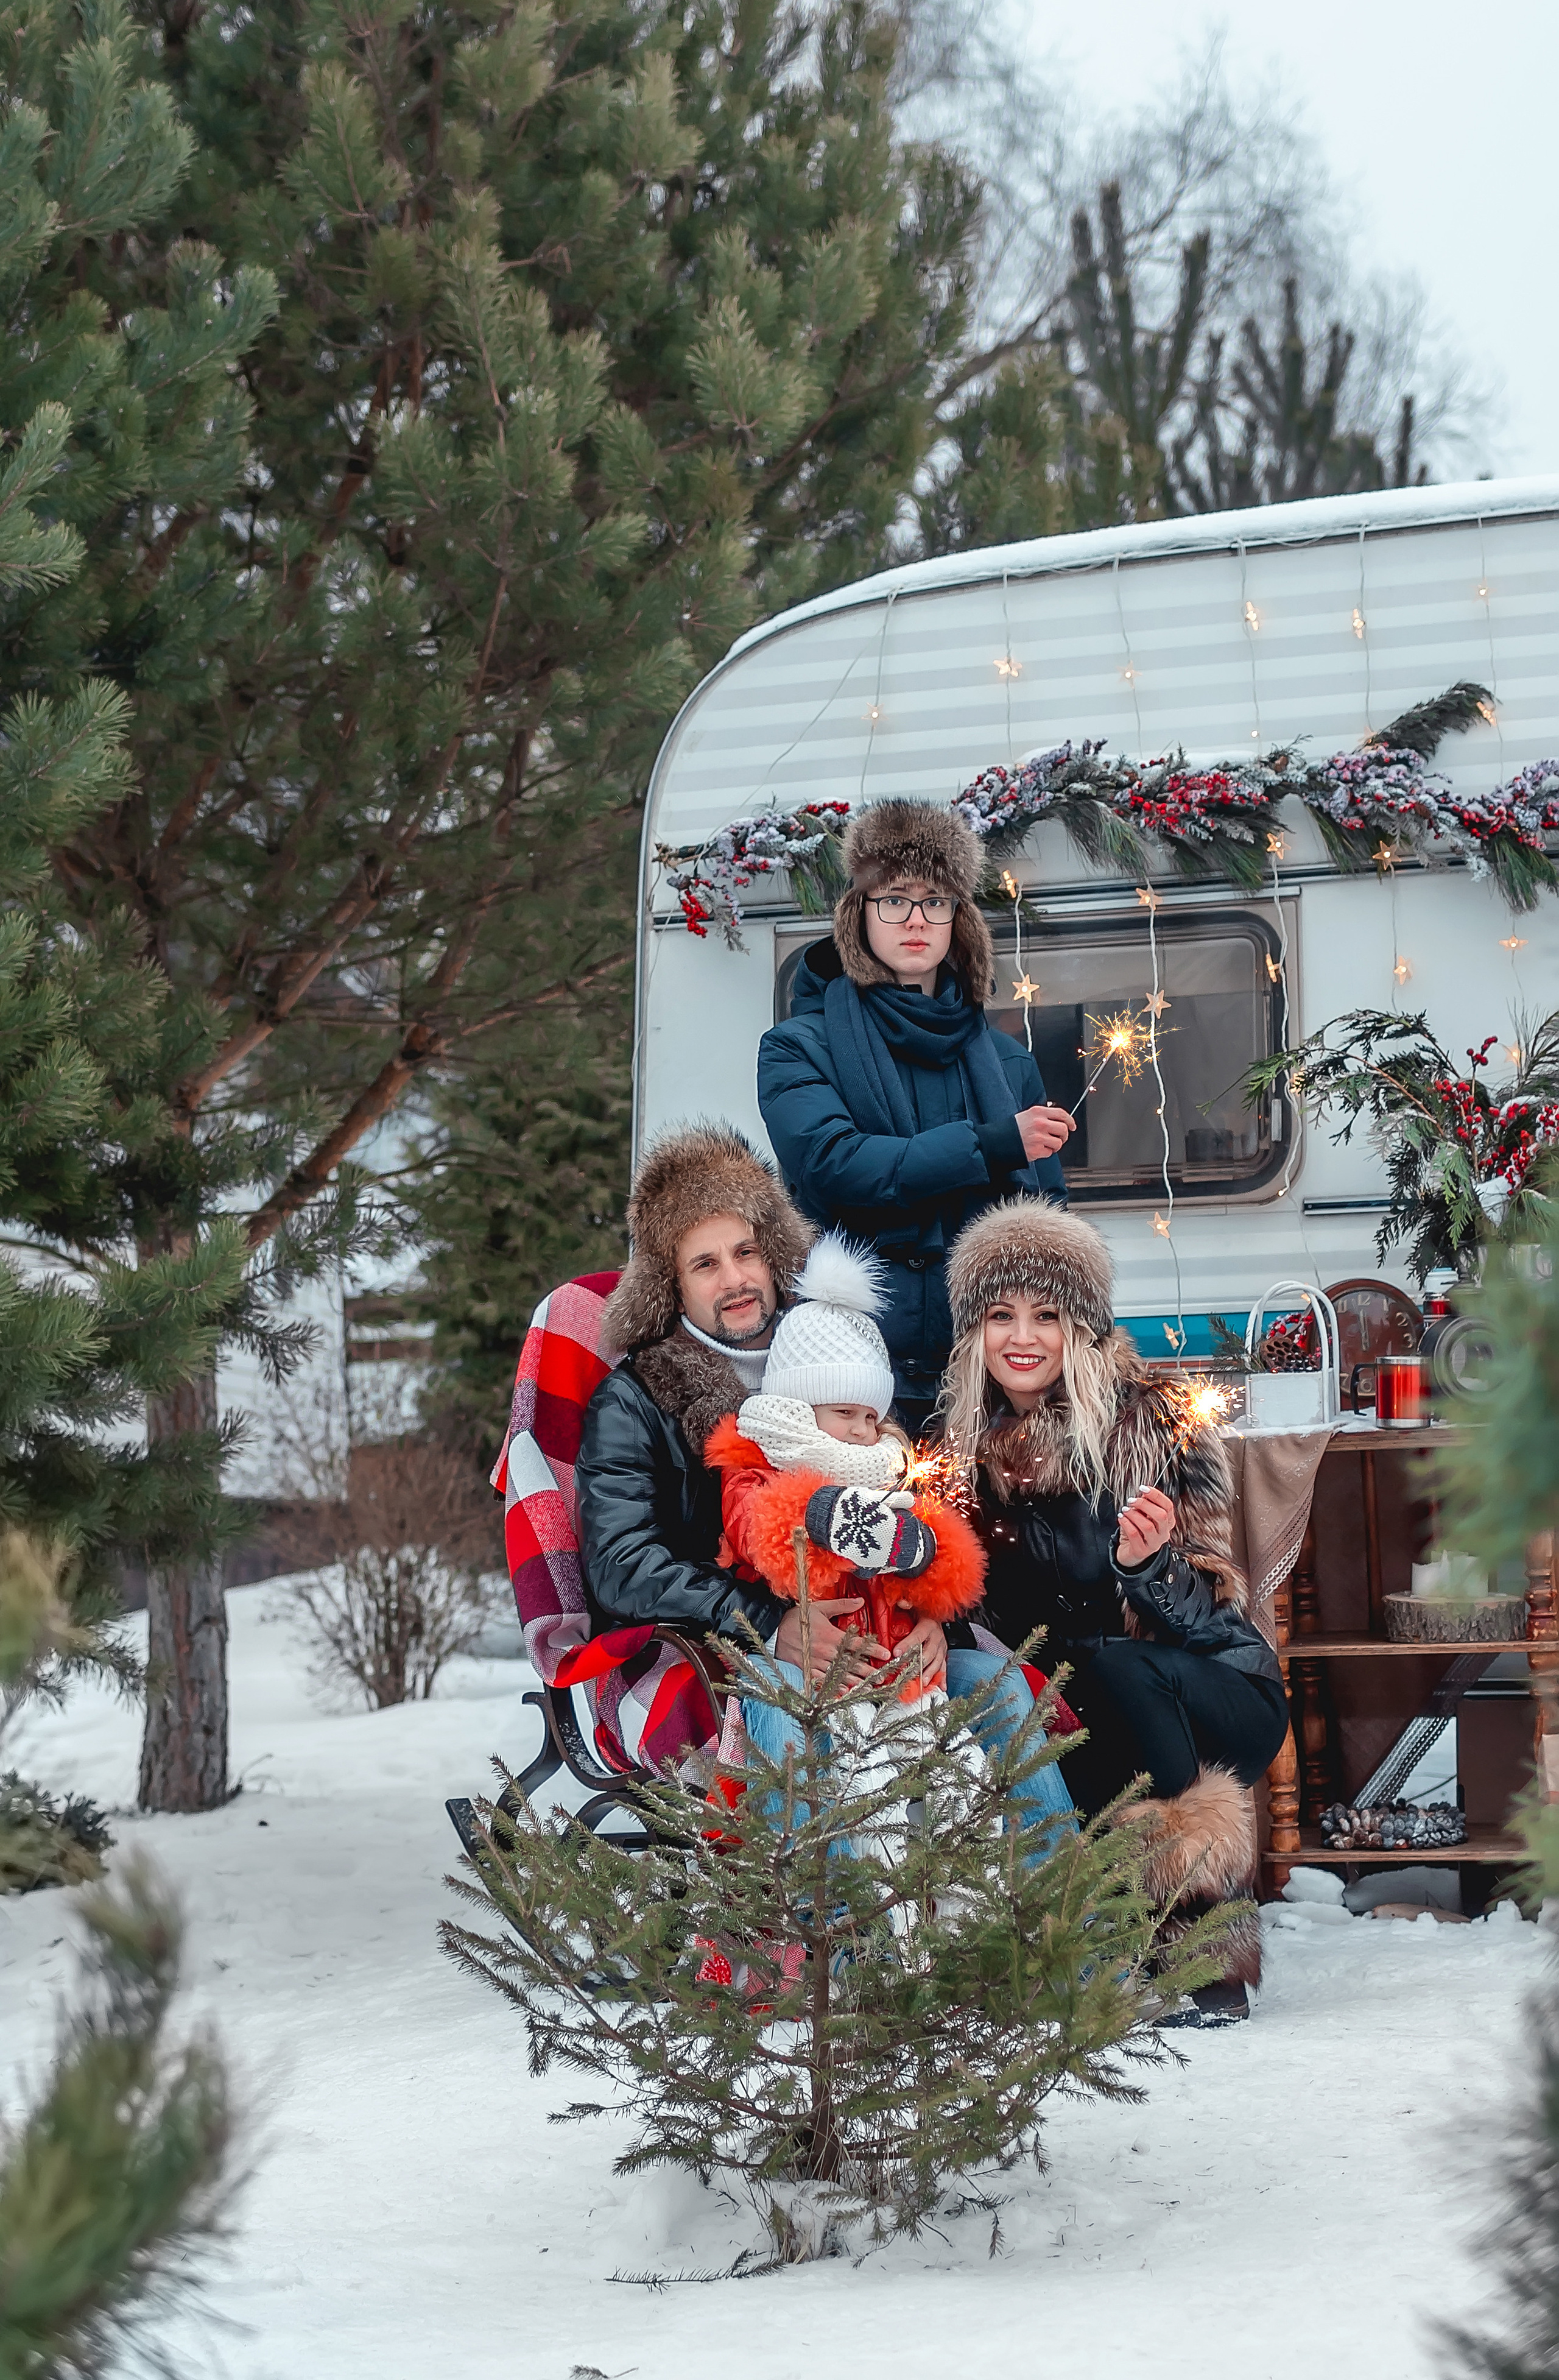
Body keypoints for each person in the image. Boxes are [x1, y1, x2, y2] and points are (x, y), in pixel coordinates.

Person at [939, 1197, 1289, 2018]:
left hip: (1212, 1690)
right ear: (974, 1332)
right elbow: (960, 1605)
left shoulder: (1159, 1421)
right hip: (1078, 1705)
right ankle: (1103, 1940)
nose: (1022, 1336)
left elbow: (1214, 1618)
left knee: (1118, 1663)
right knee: (1060, 1693)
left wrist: (1151, 1567)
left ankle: (1206, 1945)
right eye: (1001, 1314)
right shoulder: (954, 1451)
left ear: (1084, 1325)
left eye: (1047, 1314)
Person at [703, 1231, 1075, 1844]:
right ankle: (814, 1908)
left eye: (870, 1416)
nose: (859, 1431)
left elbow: (951, 1556)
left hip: (896, 1665)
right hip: (805, 1660)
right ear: (800, 1407)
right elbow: (766, 1534)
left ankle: (1056, 1892)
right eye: (843, 1413)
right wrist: (845, 1519)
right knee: (778, 1694)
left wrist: (934, 1614)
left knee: (1000, 1679)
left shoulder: (890, 1471)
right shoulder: (756, 1465)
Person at [757, 799, 1075, 1430]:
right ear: (859, 913)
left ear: (959, 919)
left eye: (937, 901)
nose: (916, 919)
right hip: (853, 1371)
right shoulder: (797, 1046)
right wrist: (990, 1145)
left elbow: (1047, 1232)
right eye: (895, 898)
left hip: (983, 1374)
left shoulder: (1008, 1064)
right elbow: (835, 1165)